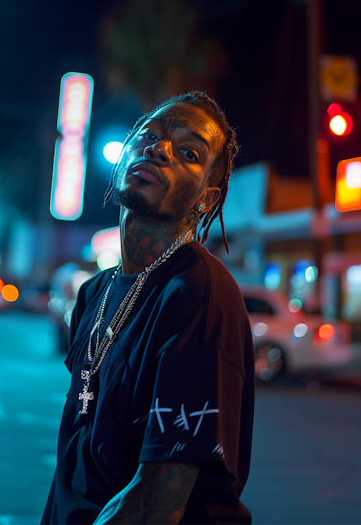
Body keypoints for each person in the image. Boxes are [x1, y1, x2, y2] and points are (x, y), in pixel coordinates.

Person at [43, 92, 254, 525]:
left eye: (189, 153)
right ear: (121, 160)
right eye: (149, 137)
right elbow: (77, 446)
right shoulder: (94, 295)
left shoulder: (199, 292)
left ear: (207, 199)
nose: (159, 149)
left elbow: (159, 499)